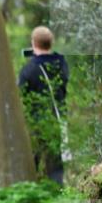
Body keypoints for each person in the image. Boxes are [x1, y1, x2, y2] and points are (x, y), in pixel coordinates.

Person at [17, 26, 69, 185]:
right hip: (57, 117)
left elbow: (21, 94)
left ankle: (32, 189)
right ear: (51, 42)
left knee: (33, 160)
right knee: (55, 160)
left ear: (33, 43)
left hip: (35, 121)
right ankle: (57, 189)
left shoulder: (29, 69)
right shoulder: (61, 63)